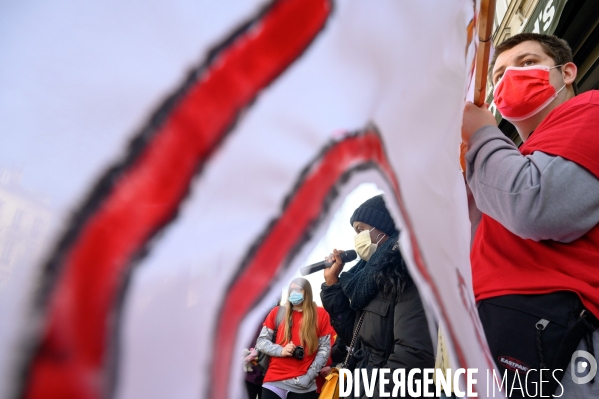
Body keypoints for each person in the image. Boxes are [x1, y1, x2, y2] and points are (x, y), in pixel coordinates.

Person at [461, 32, 599, 397]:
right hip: (508, 328)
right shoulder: (517, 157)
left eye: (526, 63)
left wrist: (482, 136)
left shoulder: (591, 110)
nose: (510, 78)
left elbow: (536, 205)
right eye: (499, 75)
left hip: (557, 334)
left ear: (567, 72)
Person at [320, 194, 434, 398]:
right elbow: (354, 337)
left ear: (385, 227)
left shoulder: (406, 273)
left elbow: (413, 356)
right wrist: (332, 286)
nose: (358, 238)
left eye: (361, 230)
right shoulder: (367, 280)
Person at [255, 278, 332, 399]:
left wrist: (309, 376)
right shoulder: (277, 312)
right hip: (273, 381)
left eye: (298, 289)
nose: (293, 293)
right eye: (291, 290)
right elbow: (261, 342)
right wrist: (281, 350)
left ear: (307, 291)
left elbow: (324, 349)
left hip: (304, 386)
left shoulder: (321, 314)